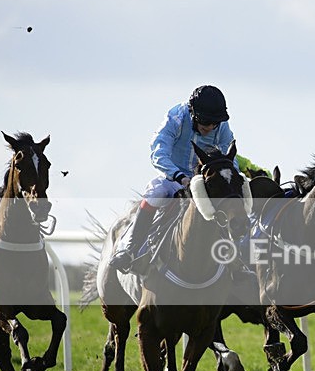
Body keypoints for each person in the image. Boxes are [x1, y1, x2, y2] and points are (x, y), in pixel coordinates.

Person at [110, 85, 266, 272]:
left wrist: (233, 178)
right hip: (173, 177)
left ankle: (237, 260)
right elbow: (159, 153)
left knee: (231, 201)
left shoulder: (222, 126)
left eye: (214, 124)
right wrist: (180, 176)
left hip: (205, 179)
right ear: (193, 114)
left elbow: (228, 158)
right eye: (205, 123)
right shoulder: (176, 118)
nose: (210, 128)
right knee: (156, 192)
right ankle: (130, 249)